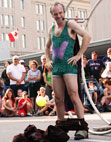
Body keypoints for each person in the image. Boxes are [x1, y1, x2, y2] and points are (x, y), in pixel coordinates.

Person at [45, 2, 91, 140]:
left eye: (60, 13)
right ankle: (61, 127)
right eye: (55, 14)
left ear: (64, 12)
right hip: (56, 68)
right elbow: (47, 47)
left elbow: (87, 36)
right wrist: (47, 59)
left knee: (73, 95)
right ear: (52, 15)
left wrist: (78, 55)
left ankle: (82, 127)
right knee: (58, 99)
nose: (59, 16)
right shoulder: (52, 28)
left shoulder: (70, 24)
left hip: (69, 66)